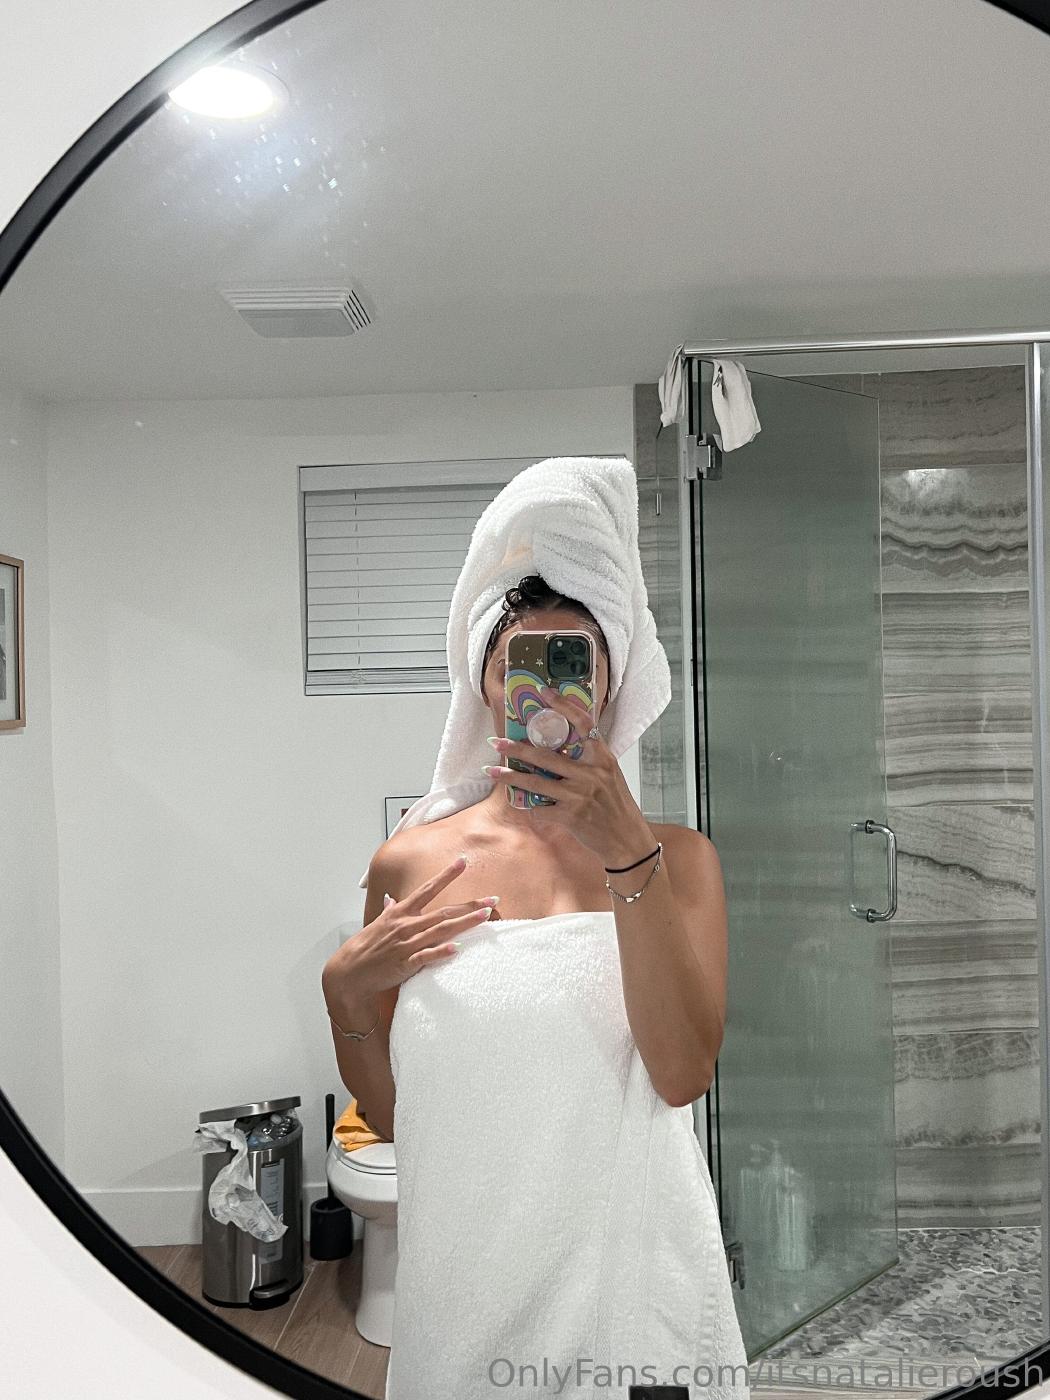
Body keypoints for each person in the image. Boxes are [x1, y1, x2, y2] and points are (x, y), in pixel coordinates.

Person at [322, 573, 751, 1400]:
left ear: (610, 684)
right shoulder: (411, 865)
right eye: (520, 662)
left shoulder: (681, 859)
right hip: (469, 1274)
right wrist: (343, 998)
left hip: (634, 1275)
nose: (547, 690)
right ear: (483, 683)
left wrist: (628, 857)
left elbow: (681, 1074)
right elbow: (401, 1118)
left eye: (574, 663)